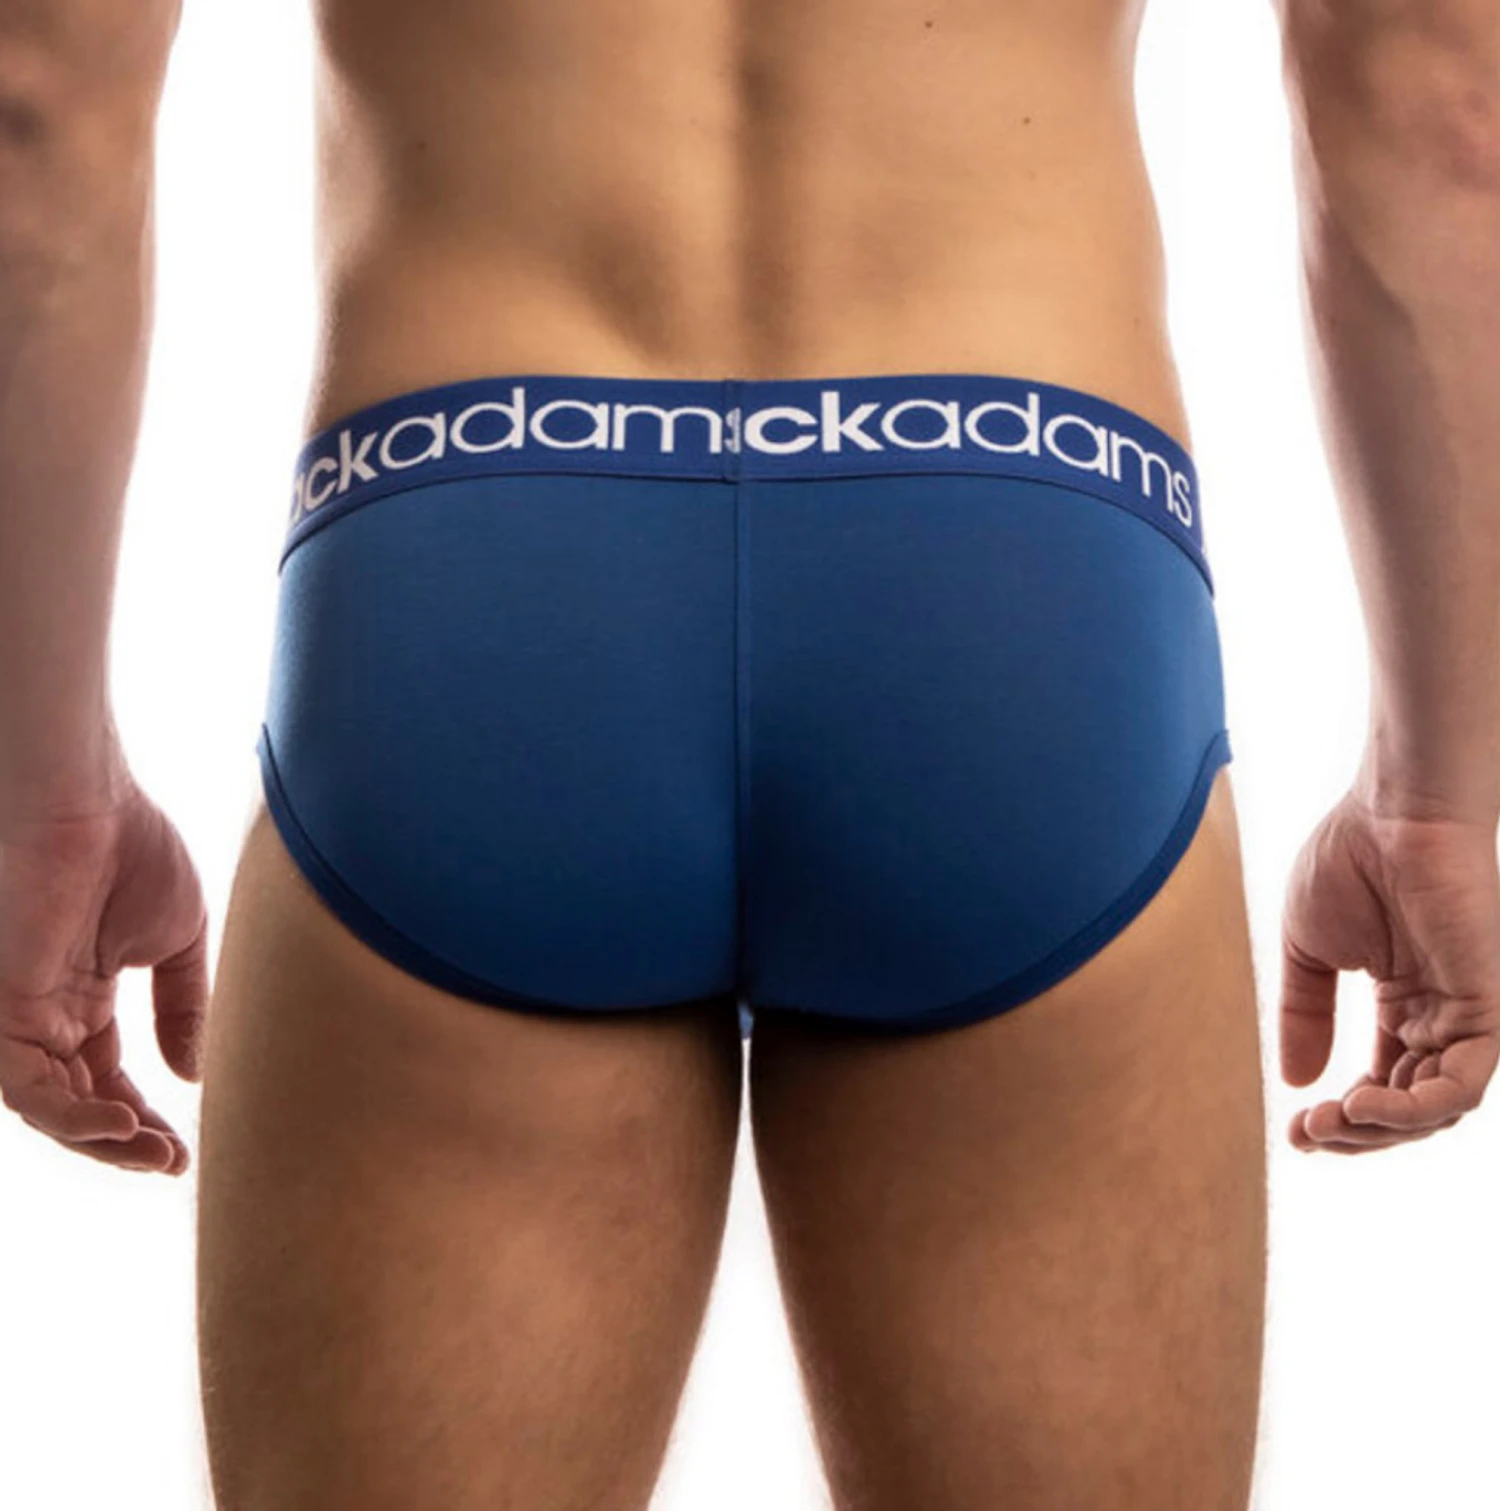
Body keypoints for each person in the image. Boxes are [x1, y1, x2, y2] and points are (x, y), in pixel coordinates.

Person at [2, 0, 1498, 1507]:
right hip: (1009, 562)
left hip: (482, 546)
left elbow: (38, 94)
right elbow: (1435, 91)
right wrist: (1437, 799)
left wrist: (41, 798)